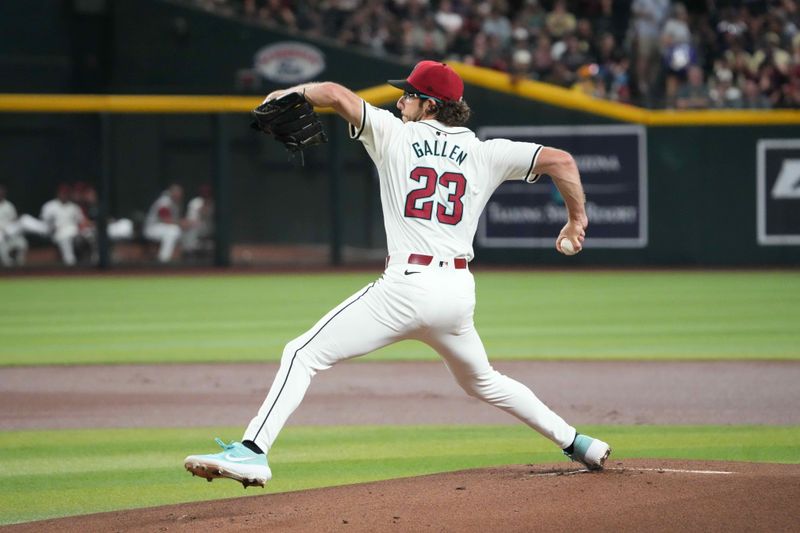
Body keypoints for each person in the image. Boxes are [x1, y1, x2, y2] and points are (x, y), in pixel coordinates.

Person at [184, 61, 611, 488]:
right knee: (484, 381)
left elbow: (333, 93)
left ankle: (253, 452)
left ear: (429, 105)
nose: (400, 100)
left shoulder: (394, 133)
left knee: (302, 354)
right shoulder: (486, 152)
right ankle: (578, 443)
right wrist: (576, 222)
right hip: (458, 293)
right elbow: (562, 160)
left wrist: (282, 95)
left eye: (408, 94)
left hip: (407, 287)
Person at [40, 184, 87, 266]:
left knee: (88, 235)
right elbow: (44, 222)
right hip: (55, 232)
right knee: (64, 237)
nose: (64, 195)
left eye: (66, 193)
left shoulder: (74, 207)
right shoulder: (50, 205)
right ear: (58, 193)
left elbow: (82, 222)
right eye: (63, 193)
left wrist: (82, 230)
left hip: (73, 231)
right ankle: (70, 263)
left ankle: (92, 261)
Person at [143, 184, 187, 263]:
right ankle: (163, 260)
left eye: (180, 193)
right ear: (172, 193)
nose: (179, 195)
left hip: (162, 228)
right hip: (152, 228)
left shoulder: (176, 202)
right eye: (177, 193)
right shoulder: (164, 201)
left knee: (178, 230)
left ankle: (188, 254)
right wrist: (182, 223)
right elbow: (165, 219)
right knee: (173, 231)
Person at [181, 184, 214, 256]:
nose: (206, 195)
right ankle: (188, 251)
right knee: (191, 228)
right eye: (204, 193)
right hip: (196, 229)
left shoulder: (214, 203)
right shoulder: (195, 202)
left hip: (209, 229)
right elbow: (190, 220)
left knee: (209, 247)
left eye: (208, 193)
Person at [0, 185, 28, 267]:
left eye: (2, 192)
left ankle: (20, 263)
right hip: (0, 236)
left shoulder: (9, 205)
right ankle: (7, 265)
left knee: (23, 243)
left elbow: (14, 219)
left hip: (9, 233)